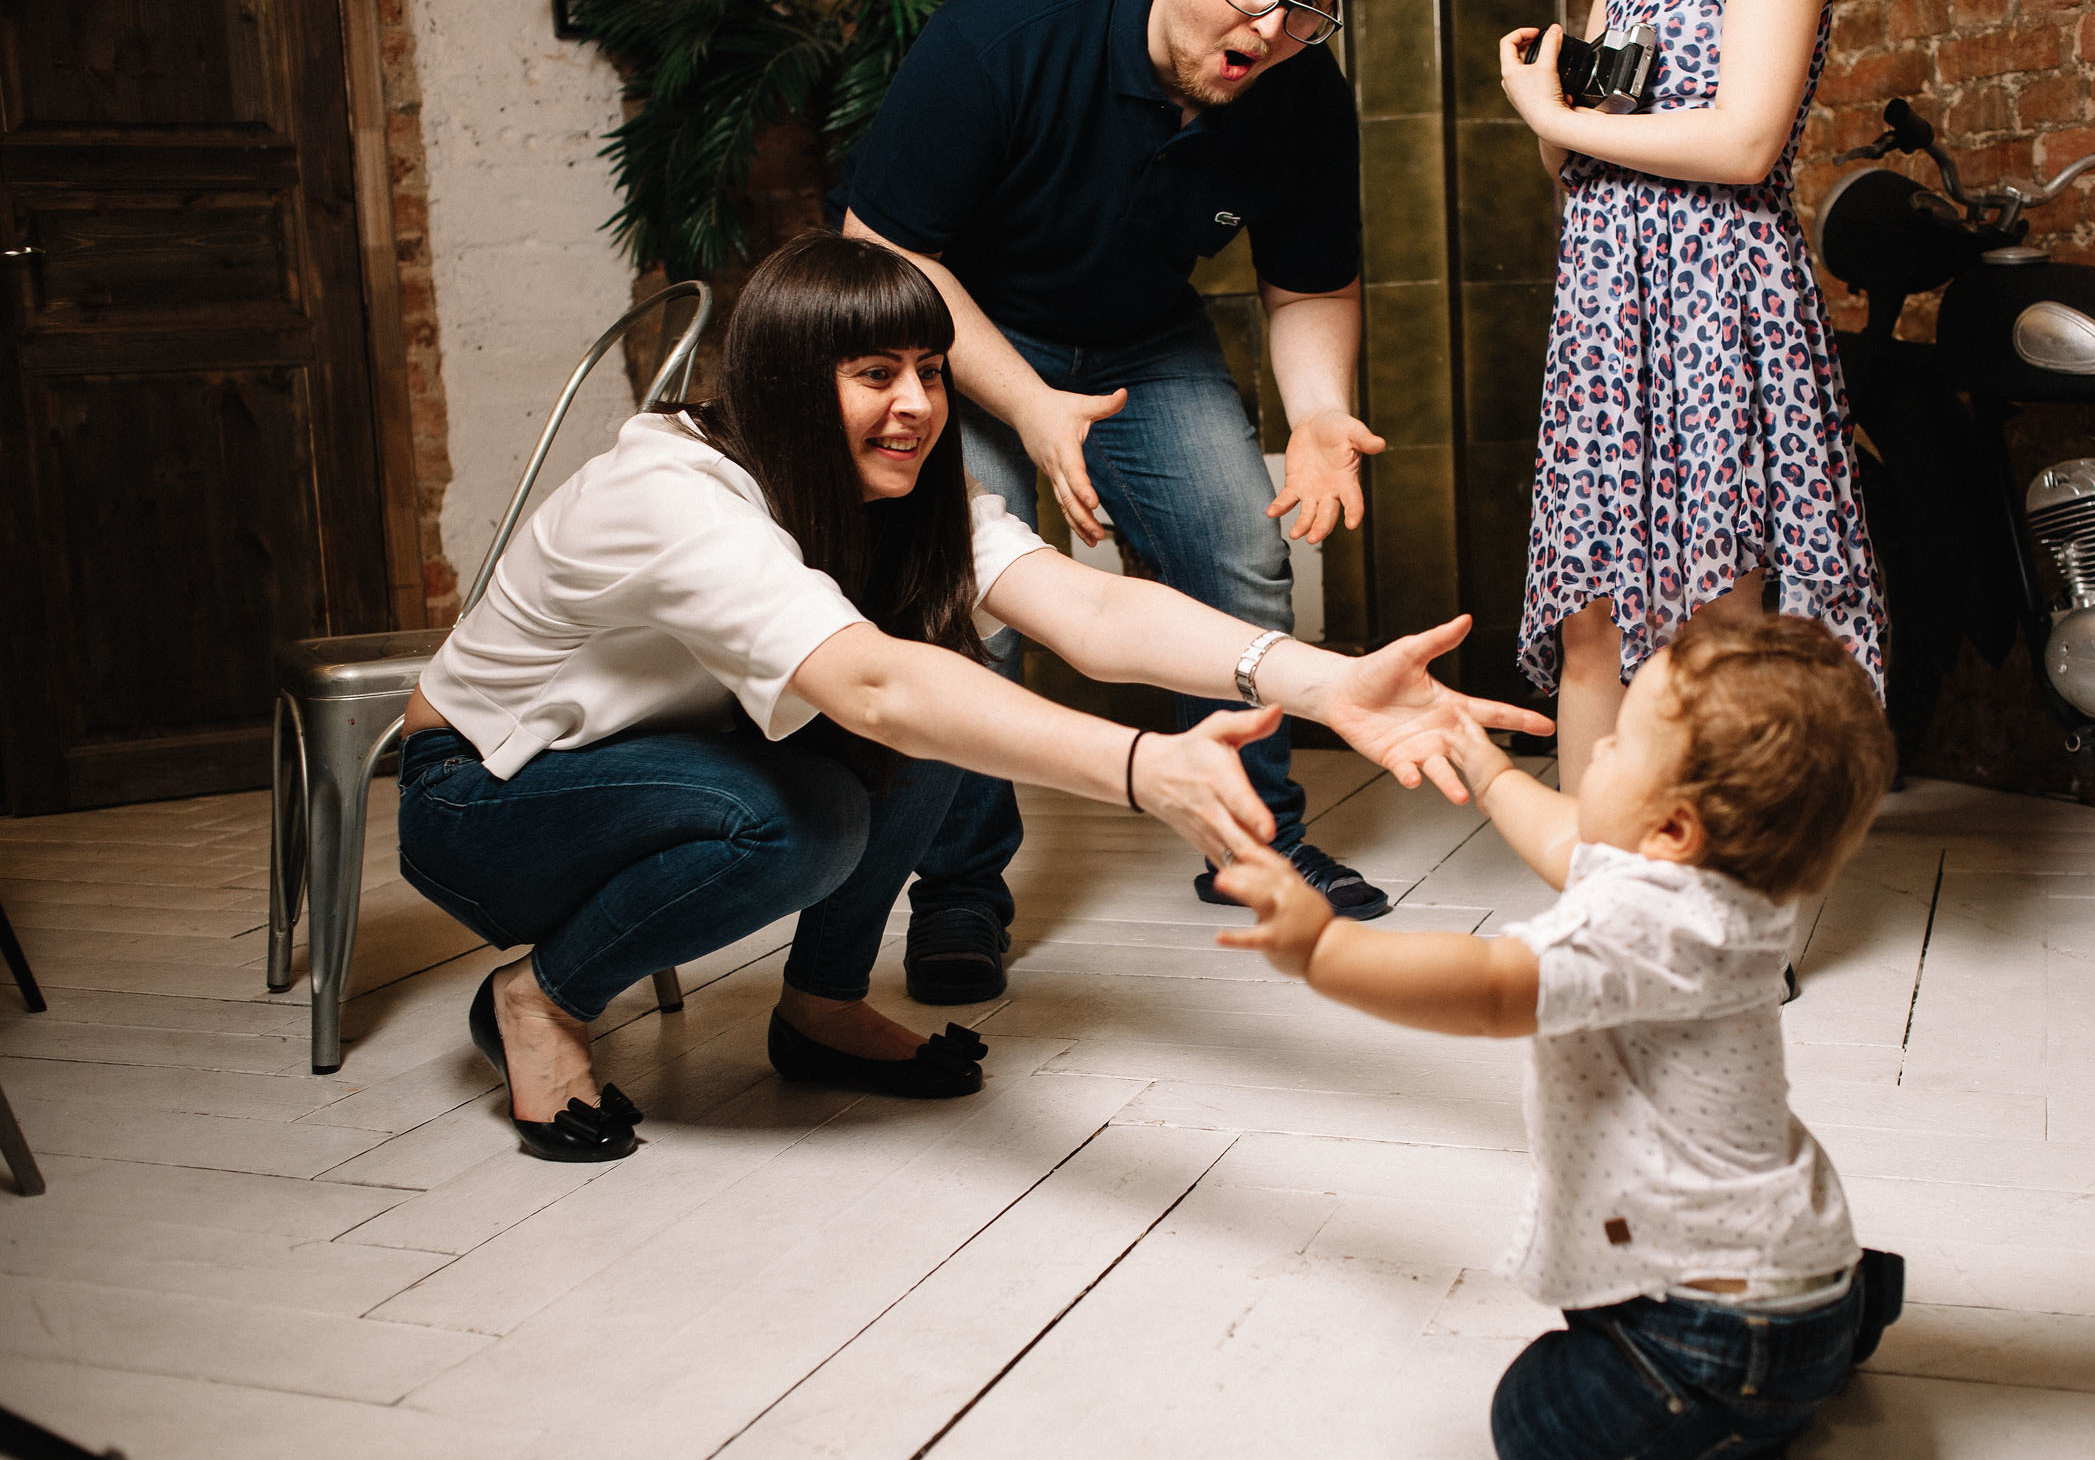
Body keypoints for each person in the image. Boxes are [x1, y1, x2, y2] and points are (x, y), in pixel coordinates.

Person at [395, 233, 1543, 1164]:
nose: (918, 406)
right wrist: (1146, 770)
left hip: (656, 770)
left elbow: (1094, 616)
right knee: (814, 807)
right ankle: (539, 999)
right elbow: (875, 686)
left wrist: (1329, 683)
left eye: (930, 372)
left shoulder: (894, 496)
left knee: (951, 691)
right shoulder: (671, 494)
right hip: (484, 801)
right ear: (794, 387)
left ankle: (823, 1005)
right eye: (875, 374)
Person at [1211, 615, 1903, 1460]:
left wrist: (1326, 953)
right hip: (1789, 1263)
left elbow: (1494, 984)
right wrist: (1490, 771)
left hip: (1715, 1330)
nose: (1600, 746)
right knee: (1705, 1311)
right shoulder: (1729, 889)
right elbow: (1573, 846)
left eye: (1616, 743)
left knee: (1532, 1430)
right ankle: (1828, 1327)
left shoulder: (1637, 927)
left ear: (1673, 828)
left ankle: (1759, 1397)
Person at [832, 0, 1391, 1008]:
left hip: (1140, 335)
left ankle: (1251, 843)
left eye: (1310, 8)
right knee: (961, 593)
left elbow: (1311, 281)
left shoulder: (1300, 87)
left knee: (1238, 548)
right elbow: (882, 248)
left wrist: (1318, 410)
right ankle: (958, 888)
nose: (1273, 28)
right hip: (957, 328)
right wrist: (1031, 406)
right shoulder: (1015, 23)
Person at [1499, 0, 1885, 796]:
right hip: (1606, 302)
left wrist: (1548, 113)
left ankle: (1732, 899)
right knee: (1591, 621)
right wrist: (1551, 102)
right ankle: (1599, 896)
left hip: (1719, 290)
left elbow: (1746, 145)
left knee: (1719, 619)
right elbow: (1573, 166)